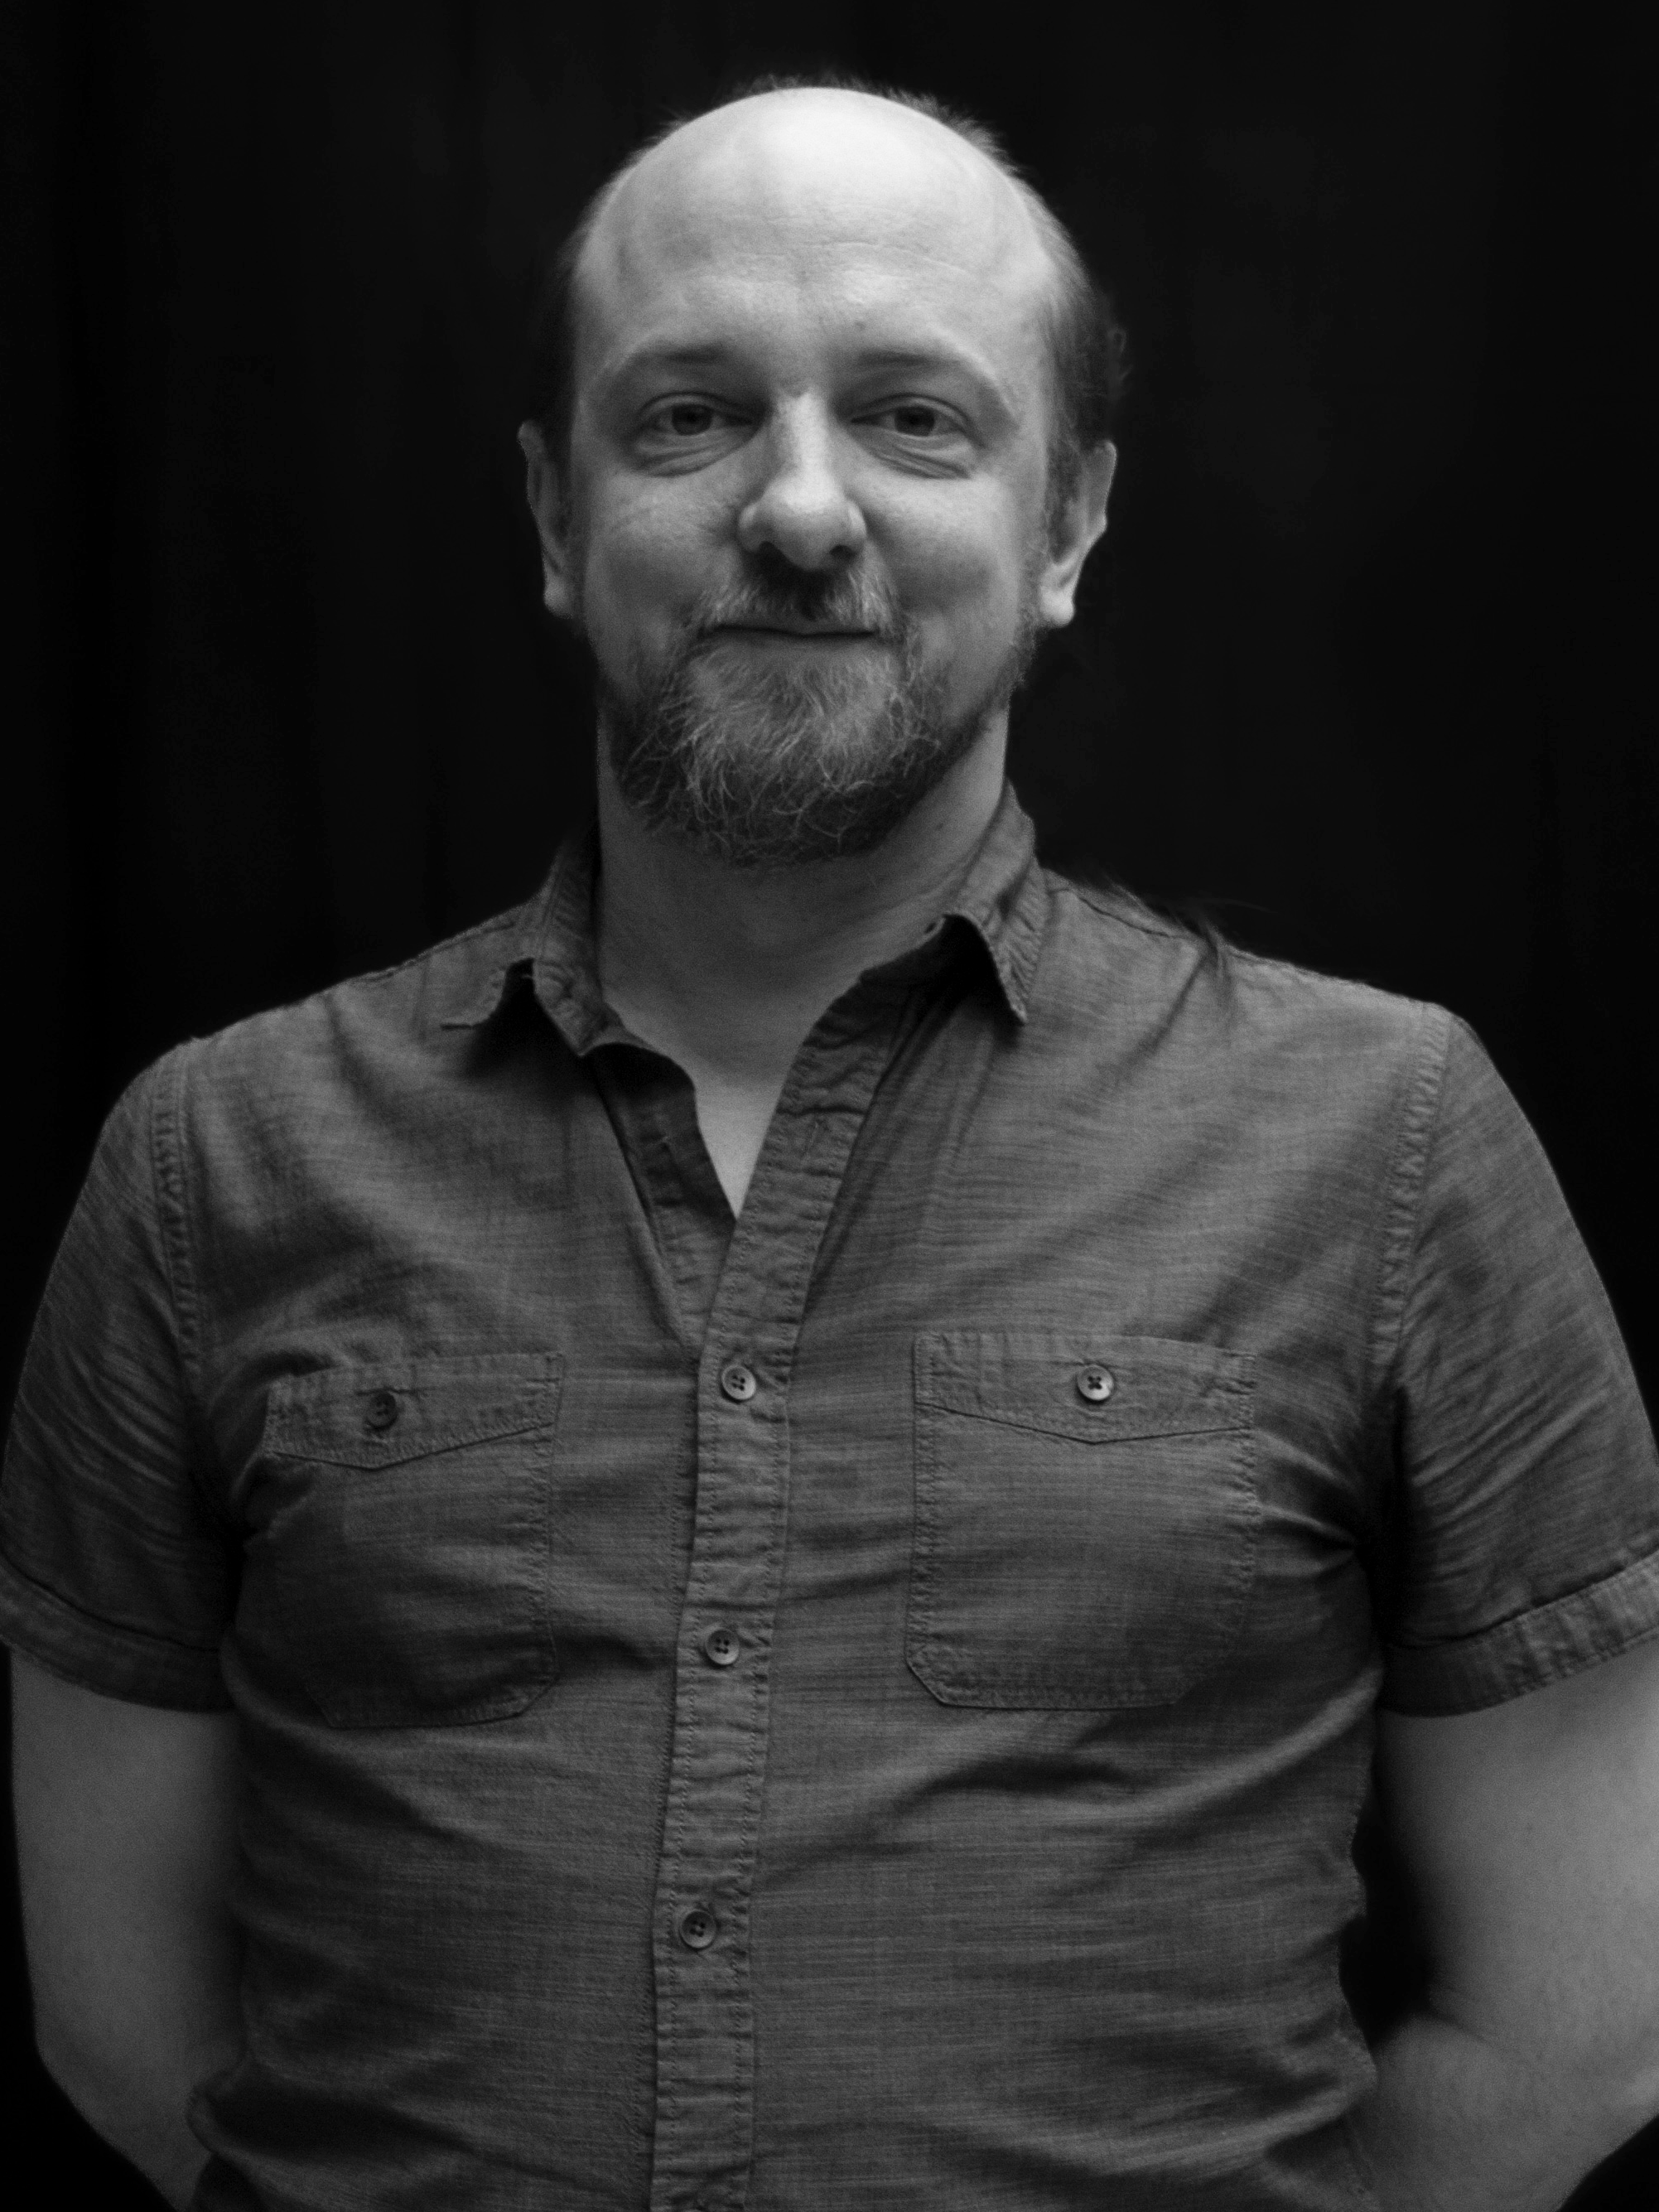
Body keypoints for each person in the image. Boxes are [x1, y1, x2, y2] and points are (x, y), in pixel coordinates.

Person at [6, 72, 1659, 2212]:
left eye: (917, 417)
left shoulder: (1393, 1135)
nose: (800, 510)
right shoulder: (211, 1160)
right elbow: (131, 2029)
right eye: (689, 414)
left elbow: (1580, 2023)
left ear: (1067, 524)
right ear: (549, 510)